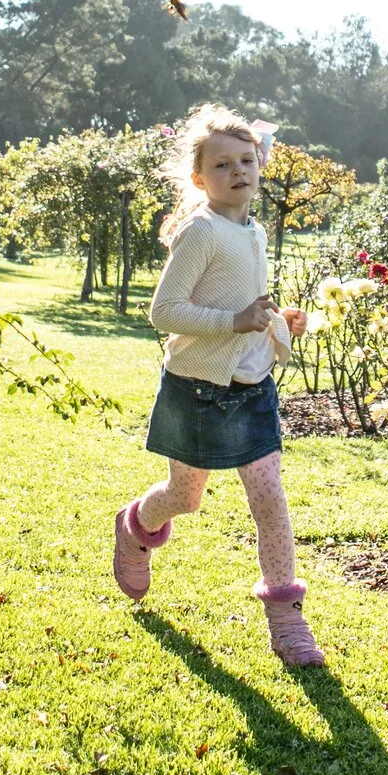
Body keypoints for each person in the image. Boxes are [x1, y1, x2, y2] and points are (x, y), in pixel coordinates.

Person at [111, 105, 322, 665]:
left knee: (269, 498)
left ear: (261, 166)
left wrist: (279, 322)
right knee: (187, 497)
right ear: (200, 177)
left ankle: (286, 617)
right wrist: (236, 321)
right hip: (196, 391)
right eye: (223, 164)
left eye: (247, 160)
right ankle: (135, 525)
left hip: (251, 389)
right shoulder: (201, 232)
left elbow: (242, 304)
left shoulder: (252, 228)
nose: (239, 171)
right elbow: (165, 311)